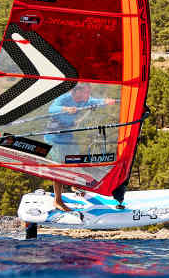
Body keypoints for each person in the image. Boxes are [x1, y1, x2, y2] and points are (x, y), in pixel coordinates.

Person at [45, 82, 116, 212]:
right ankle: (57, 200)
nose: (88, 95)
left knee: (76, 160)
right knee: (59, 167)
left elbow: (94, 101)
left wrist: (106, 101)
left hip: (67, 135)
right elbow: (51, 109)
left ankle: (75, 186)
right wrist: (65, 109)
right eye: (86, 92)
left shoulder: (85, 99)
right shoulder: (65, 98)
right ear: (76, 92)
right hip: (55, 137)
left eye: (89, 92)